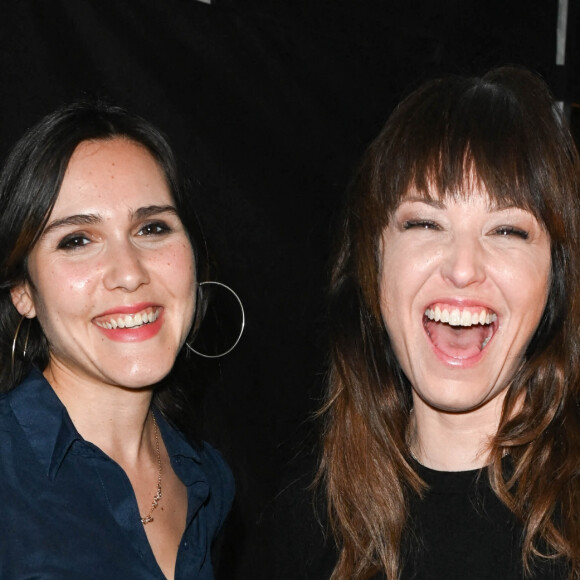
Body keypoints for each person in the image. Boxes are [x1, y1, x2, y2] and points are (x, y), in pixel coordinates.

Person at [318, 67, 580, 579]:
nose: (463, 268)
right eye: (425, 223)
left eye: (507, 229)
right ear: (372, 263)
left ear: (556, 278)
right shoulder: (306, 521)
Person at [0, 102, 235, 579]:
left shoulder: (209, 480)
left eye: (152, 228)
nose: (129, 274)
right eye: (77, 240)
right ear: (24, 291)